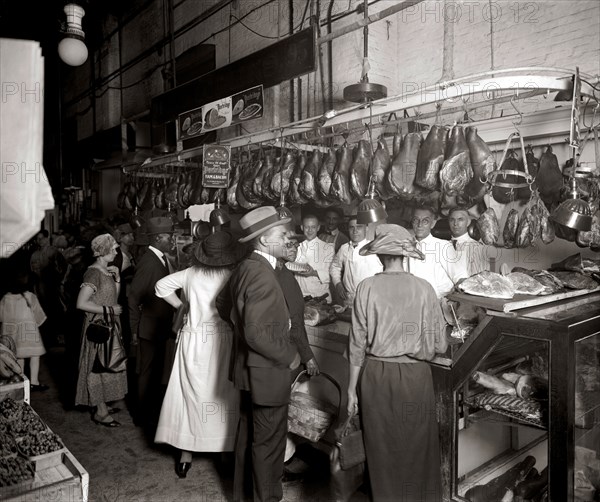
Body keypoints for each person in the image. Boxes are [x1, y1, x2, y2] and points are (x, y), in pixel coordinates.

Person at [347, 224, 448, 502]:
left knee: (381, 448)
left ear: (379, 256)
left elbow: (356, 344)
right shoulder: (425, 289)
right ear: (405, 256)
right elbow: (440, 344)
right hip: (416, 377)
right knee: (418, 446)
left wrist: (349, 390)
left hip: (376, 377)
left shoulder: (365, 287)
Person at [216, 206, 300, 502]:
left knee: (248, 438)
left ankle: (243, 497)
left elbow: (221, 303)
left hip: (247, 372)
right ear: (264, 240)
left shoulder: (246, 267)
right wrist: (289, 355)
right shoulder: (262, 274)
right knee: (269, 445)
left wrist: (241, 327)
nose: (288, 238)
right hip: (266, 374)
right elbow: (256, 334)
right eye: (281, 234)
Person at [154, 231, 242, 479]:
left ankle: (186, 454)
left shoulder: (191, 273)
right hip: (222, 339)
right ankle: (225, 449)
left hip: (193, 340)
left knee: (189, 395)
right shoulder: (233, 274)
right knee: (223, 397)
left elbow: (160, 287)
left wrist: (181, 306)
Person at [128, 217, 176, 430]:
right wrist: (134, 330)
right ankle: (141, 415)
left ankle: (150, 411)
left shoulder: (161, 258)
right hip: (149, 327)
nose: (172, 240)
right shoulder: (149, 262)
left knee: (156, 371)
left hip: (159, 326)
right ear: (158, 238)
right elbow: (133, 297)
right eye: (169, 237)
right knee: (147, 372)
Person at [75, 234, 127, 427]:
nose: (116, 251)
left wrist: (118, 279)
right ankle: (101, 412)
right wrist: (109, 310)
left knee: (108, 365)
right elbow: (80, 303)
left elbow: (113, 297)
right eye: (113, 248)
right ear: (103, 251)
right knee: (97, 368)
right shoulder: (93, 273)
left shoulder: (106, 271)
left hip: (110, 325)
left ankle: (102, 404)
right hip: (98, 328)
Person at [0, 269, 48, 391]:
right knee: (35, 356)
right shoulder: (30, 296)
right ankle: (34, 382)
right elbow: (39, 315)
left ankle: (21, 380)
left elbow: (0, 316)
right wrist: (38, 322)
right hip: (29, 333)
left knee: (18, 357)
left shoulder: (5, 298)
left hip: (11, 333)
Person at [405, 205, 467, 298]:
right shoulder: (405, 246)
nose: (419, 225)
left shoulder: (443, 246)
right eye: (416, 220)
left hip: (437, 302)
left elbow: (460, 277)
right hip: (411, 301)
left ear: (433, 224)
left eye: (425, 221)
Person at [329, 215, 383, 307]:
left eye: (359, 227)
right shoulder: (344, 248)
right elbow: (334, 267)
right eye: (352, 227)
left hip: (370, 299)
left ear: (366, 228)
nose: (355, 231)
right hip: (349, 299)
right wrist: (338, 283)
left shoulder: (376, 248)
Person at [293, 214, 336, 302]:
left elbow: (332, 276)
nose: (309, 230)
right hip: (300, 296)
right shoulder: (296, 247)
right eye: (306, 227)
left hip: (321, 297)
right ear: (302, 227)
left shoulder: (328, 248)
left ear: (318, 228)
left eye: (313, 227)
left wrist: (313, 273)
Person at [447, 207, 488, 278]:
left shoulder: (476, 247)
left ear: (468, 222)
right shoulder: (443, 245)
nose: (455, 224)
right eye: (452, 220)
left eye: (460, 219)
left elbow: (479, 278)